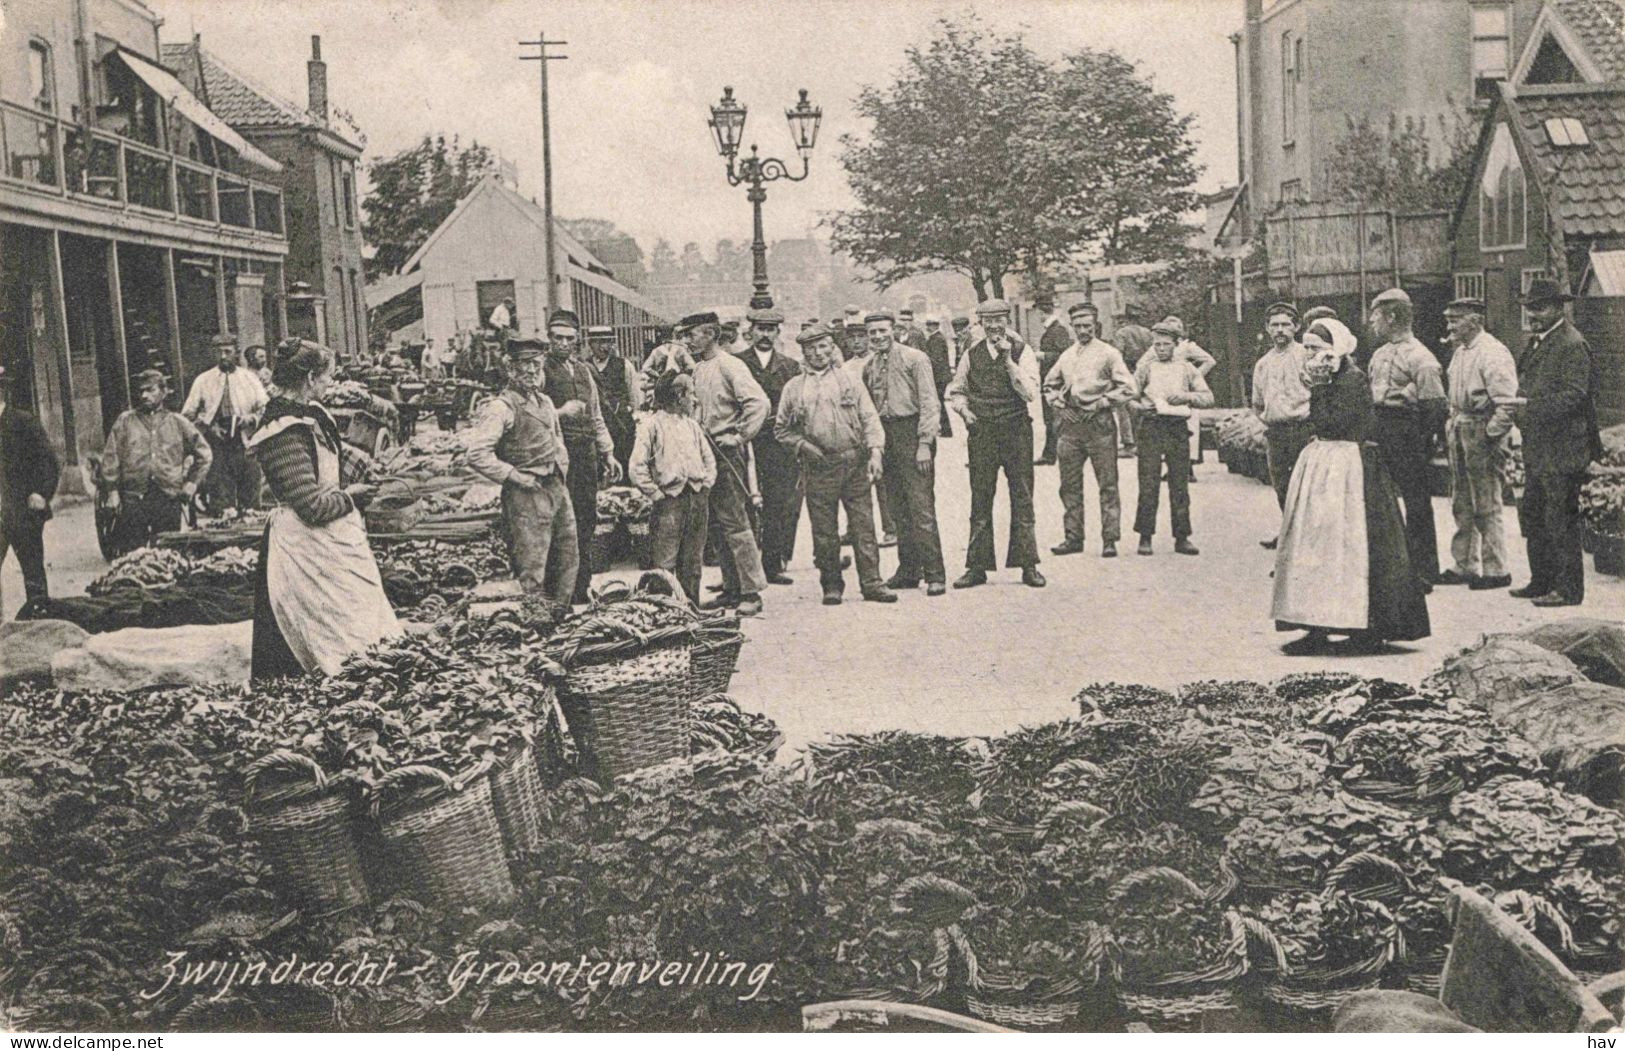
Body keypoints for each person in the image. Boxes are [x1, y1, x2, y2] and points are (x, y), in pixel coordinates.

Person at [1272, 318, 1431, 654]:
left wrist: (1321, 387)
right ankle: (1316, 626)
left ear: (1335, 350)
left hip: (1348, 465)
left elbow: (1341, 422)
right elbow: (1319, 421)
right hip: (1323, 460)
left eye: (1317, 348)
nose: (1311, 354)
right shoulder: (1325, 378)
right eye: (1309, 348)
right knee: (1315, 542)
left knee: (1350, 542)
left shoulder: (1352, 379)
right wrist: (1319, 387)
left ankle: (1365, 626)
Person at [245, 341, 401, 679]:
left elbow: (328, 457)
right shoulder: (281, 430)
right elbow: (311, 505)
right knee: (320, 635)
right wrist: (352, 497)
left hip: (334, 541)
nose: (331, 383)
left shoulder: (310, 413)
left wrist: (364, 466)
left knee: (358, 627)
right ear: (311, 377)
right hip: (303, 549)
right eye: (328, 377)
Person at [775, 324, 894, 605]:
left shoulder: (850, 380)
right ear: (803, 352)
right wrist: (804, 446)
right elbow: (782, 430)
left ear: (832, 348)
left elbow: (869, 418)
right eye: (811, 348)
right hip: (819, 467)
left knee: (864, 526)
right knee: (824, 530)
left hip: (853, 462)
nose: (818, 353)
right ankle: (831, 585)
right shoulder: (794, 388)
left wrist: (876, 452)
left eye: (823, 347)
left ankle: (873, 583)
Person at [463, 337, 580, 603]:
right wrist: (515, 476)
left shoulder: (546, 402)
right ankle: (536, 626)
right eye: (524, 365)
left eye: (536, 365)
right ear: (510, 369)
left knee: (568, 557)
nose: (531, 371)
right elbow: (476, 453)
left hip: (555, 488)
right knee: (533, 565)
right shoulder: (501, 407)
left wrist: (560, 470)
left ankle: (561, 617)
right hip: (526, 494)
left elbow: (556, 439)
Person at [1512, 278, 1602, 607]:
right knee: (1535, 515)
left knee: (1560, 519)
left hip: (1564, 449)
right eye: (1529, 308)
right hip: (1540, 447)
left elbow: (1575, 396)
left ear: (1558, 308)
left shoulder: (1571, 344)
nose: (1532, 314)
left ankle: (1568, 590)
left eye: (1540, 308)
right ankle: (1541, 580)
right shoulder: (1539, 342)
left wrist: (1529, 407)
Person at [945, 299, 1045, 588]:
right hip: (983, 433)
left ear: (1007, 321)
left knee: (1023, 497)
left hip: (1016, 431)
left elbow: (1029, 393)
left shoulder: (1022, 352)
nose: (994, 326)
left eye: (999, 320)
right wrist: (964, 410)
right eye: (988, 321)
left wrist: (1008, 361)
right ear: (981, 324)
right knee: (980, 498)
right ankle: (977, 566)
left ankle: (1028, 565)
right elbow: (957, 390)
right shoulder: (971, 354)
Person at [687, 311, 771, 617]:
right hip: (705, 454)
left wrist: (739, 435)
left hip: (726, 452)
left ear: (710, 334)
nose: (688, 340)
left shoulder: (730, 365)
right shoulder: (698, 369)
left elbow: (758, 403)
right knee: (717, 525)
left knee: (735, 521)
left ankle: (751, 591)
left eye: (692, 334)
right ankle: (732, 587)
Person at [862, 311, 947, 596]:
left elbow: (929, 402)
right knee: (897, 507)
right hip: (887, 437)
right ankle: (909, 570)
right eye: (872, 332)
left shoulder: (915, 358)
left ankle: (935, 573)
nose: (877, 336)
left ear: (893, 330)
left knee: (921, 507)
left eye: (882, 331)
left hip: (912, 434)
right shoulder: (870, 365)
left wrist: (925, 443)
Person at [1366, 288, 1447, 589]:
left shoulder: (1421, 357)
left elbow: (1435, 405)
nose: (1372, 323)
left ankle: (1424, 570)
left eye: (1376, 316)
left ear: (1391, 316)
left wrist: (1423, 441)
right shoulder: (1379, 354)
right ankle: (1394, 567)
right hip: (1381, 428)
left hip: (1408, 431)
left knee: (1416, 502)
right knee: (1382, 501)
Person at [1044, 302, 1136, 558]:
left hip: (1100, 425)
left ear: (1096, 325)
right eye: (1078, 326)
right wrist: (1060, 405)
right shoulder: (1067, 354)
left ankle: (1109, 539)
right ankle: (1073, 537)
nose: (1083, 330)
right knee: (1069, 485)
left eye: (1088, 325)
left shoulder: (1109, 353)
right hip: (1071, 427)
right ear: (1072, 327)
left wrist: (1103, 402)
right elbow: (1049, 384)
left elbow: (1129, 387)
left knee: (1107, 484)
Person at [1438, 297, 1519, 590]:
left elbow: (1508, 404)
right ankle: (1465, 564)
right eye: (1448, 320)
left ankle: (1496, 569)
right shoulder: (1460, 352)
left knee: (1486, 501)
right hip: (1460, 427)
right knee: (1461, 500)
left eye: (1454, 320)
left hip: (1481, 429)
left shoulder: (1493, 352)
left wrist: (1490, 435)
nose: (1449, 326)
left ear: (1473, 320)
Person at [542, 310, 623, 604]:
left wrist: (608, 452)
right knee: (559, 522)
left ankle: (580, 588)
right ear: (549, 338)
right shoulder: (540, 371)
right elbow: (531, 414)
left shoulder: (583, 371)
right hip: (557, 457)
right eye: (557, 338)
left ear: (577, 341)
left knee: (586, 520)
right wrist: (561, 412)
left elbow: (596, 414)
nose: (563, 344)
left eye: (569, 339)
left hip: (586, 454)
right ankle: (556, 591)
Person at [100, 368, 213, 556]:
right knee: (133, 557)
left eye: (150, 390)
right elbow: (111, 458)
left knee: (168, 555)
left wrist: (192, 484)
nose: (144, 395)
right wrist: (112, 491)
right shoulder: (125, 422)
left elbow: (205, 454)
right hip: (134, 500)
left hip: (168, 498)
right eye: (140, 391)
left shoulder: (178, 422)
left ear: (163, 391)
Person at [629, 372, 715, 605]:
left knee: (693, 560)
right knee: (665, 561)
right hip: (669, 503)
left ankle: (691, 608)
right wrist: (656, 494)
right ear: (678, 396)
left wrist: (705, 485)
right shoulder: (652, 425)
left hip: (696, 500)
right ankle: (664, 610)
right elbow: (637, 467)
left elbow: (709, 460)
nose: (694, 400)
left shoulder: (692, 425)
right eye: (690, 394)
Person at [1132, 320, 1213, 555]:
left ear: (1176, 345)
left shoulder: (1187, 368)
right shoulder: (1146, 368)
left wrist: (1185, 396)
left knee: (1179, 483)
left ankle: (1182, 537)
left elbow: (1207, 397)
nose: (1161, 349)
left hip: (1177, 427)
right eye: (1157, 345)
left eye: (1166, 344)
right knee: (1148, 482)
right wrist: (1139, 408)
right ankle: (1145, 536)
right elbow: (1128, 396)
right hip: (1151, 426)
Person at [736, 308, 803, 586]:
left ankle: (772, 564)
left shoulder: (790, 367)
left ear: (778, 333)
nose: (764, 334)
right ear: (751, 331)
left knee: (778, 503)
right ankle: (741, 572)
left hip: (777, 444)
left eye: (770, 329)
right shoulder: (736, 363)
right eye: (760, 328)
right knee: (740, 504)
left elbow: (797, 404)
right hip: (744, 442)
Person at [182, 334, 267, 513]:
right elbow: (187, 415)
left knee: (251, 496)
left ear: (236, 353)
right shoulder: (203, 380)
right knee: (220, 499)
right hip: (216, 445)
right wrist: (207, 426)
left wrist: (249, 419)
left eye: (227, 352)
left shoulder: (250, 379)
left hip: (246, 443)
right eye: (218, 352)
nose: (223, 356)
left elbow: (265, 409)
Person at [1252, 302, 1313, 549]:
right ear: (1267, 328)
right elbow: (1257, 402)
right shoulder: (1263, 364)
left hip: (1303, 429)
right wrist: (1268, 419)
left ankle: (1306, 538)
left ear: (1296, 327)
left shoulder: (1307, 356)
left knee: (1305, 487)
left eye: (1285, 325)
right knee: (1282, 487)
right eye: (1274, 325)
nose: (1280, 330)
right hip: (1276, 433)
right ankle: (1289, 534)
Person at [0, 367, 61, 606]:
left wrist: (41, 492)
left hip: (22, 512)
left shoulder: (22, 422)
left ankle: (40, 617)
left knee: (33, 572)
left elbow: (48, 461)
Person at [842, 320, 897, 546]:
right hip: (855, 429)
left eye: (861, 337)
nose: (857, 342)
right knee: (854, 482)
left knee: (883, 480)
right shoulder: (844, 368)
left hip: (879, 425)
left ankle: (890, 528)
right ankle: (854, 528)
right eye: (852, 338)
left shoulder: (877, 362)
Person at [585, 324, 638, 476]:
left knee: (624, 467)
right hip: (597, 428)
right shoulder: (584, 367)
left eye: (607, 342)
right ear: (590, 344)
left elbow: (634, 398)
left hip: (621, 428)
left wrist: (627, 415)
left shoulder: (624, 365)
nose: (603, 347)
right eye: (598, 342)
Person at [1033, 292, 1074, 466]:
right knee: (1050, 418)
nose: (1037, 317)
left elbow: (1064, 355)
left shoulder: (1057, 330)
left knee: (1053, 418)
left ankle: (1052, 454)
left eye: (1038, 313)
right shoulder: (1054, 329)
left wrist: (1043, 355)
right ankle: (1051, 453)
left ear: (1043, 312)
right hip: (1050, 379)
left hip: (1055, 381)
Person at [1111, 304, 1154, 458]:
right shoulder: (1148, 333)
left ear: (1126, 318)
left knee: (1123, 408)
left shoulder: (1122, 333)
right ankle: (1143, 441)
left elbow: (1117, 355)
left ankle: (1129, 444)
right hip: (1145, 373)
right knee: (1143, 406)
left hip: (1128, 373)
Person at [924, 317, 955, 438]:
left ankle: (946, 430)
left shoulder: (936, 339)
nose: (927, 328)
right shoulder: (938, 337)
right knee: (939, 402)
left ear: (935, 326)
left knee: (939, 403)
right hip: (941, 376)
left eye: (929, 326)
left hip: (939, 377)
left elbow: (936, 360)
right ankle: (945, 429)